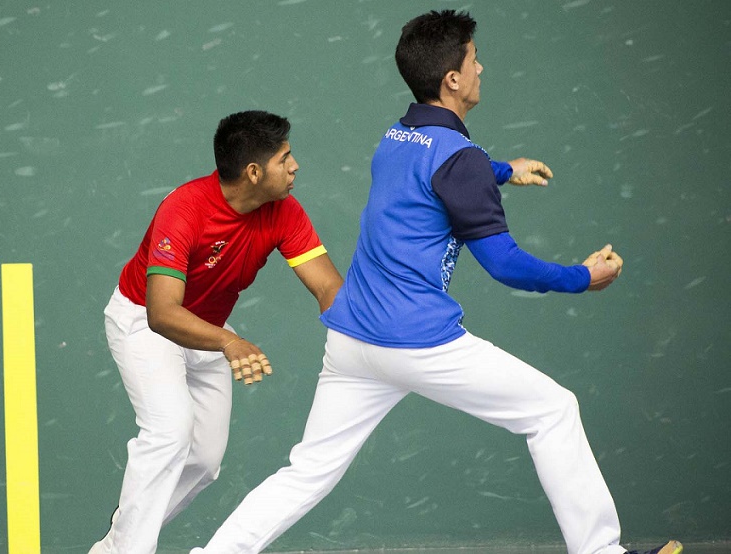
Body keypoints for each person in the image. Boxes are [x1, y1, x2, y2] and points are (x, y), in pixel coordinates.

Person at [190, 10, 682, 554]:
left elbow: (435, 173)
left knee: (306, 470)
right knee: (553, 409)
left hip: (353, 341)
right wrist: (581, 277)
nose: (480, 68)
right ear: (452, 78)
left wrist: (500, 168)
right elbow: (504, 262)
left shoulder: (398, 134)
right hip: (418, 343)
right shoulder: (459, 161)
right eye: (473, 60)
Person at [89, 110, 345, 554]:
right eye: (285, 158)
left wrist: (364, 334)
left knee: (204, 461)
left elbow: (326, 286)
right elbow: (162, 313)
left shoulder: (284, 211)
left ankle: (119, 542)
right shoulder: (184, 209)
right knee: (170, 431)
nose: (295, 165)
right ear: (253, 172)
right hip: (145, 322)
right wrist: (229, 341)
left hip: (207, 328)